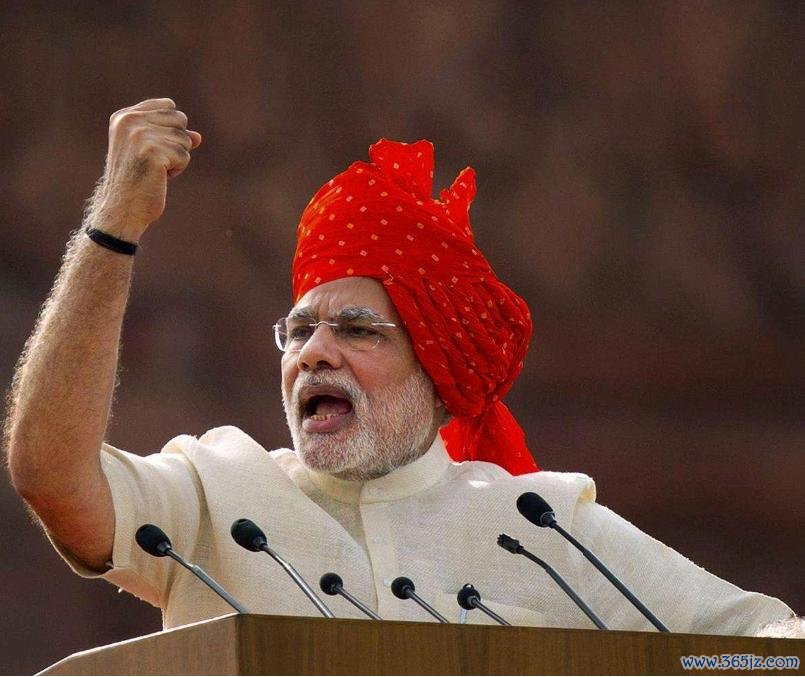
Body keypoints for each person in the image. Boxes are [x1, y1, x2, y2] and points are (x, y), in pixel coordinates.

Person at [4, 99, 796, 635]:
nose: (313, 351)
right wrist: (112, 227)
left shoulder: (542, 526)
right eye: (298, 330)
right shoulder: (214, 494)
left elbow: (759, 644)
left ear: (436, 369)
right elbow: (51, 475)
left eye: (356, 329)